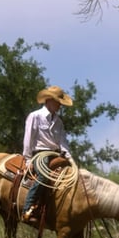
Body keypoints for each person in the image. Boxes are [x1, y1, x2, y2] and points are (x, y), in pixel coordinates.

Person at [21, 85, 74, 223]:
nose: (60, 106)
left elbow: (63, 142)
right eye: (58, 102)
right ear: (49, 100)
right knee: (44, 175)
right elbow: (28, 139)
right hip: (40, 154)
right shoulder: (35, 116)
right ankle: (27, 208)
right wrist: (27, 160)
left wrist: (70, 158)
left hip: (56, 154)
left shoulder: (59, 122)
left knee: (72, 175)